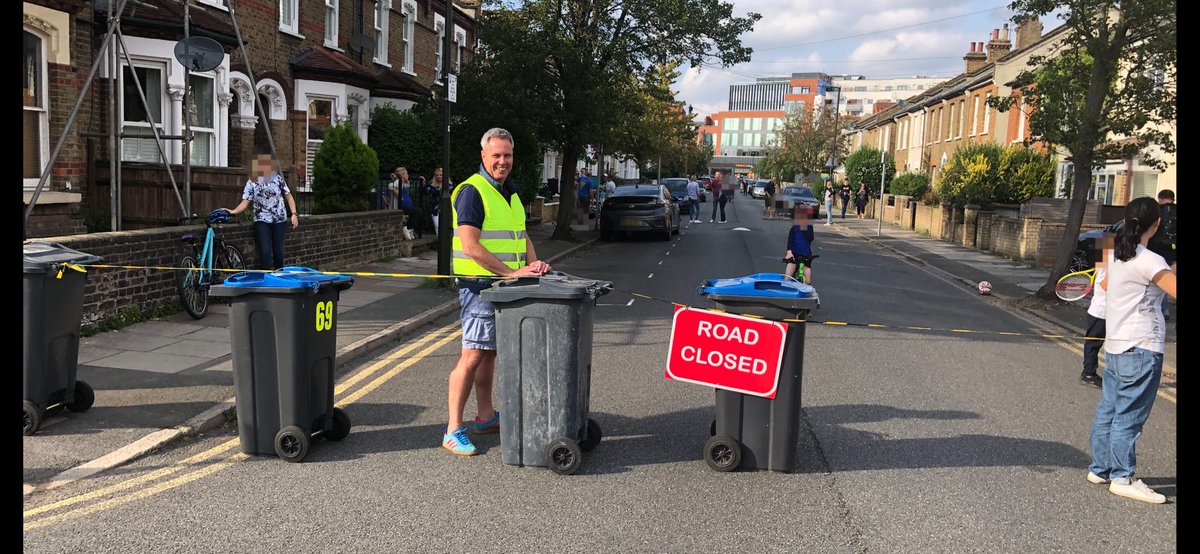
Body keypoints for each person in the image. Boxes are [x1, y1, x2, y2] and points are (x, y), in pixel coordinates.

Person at [444, 127, 551, 456]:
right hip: (480, 285)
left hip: (503, 284)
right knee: (473, 354)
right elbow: (470, 246)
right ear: (483, 157)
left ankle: (486, 416)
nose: (502, 161)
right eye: (496, 156)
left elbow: (521, 235)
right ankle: (452, 430)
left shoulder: (511, 191)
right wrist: (510, 272)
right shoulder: (472, 192)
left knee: (489, 352)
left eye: (507, 155)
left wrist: (534, 265)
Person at [1086, 196, 1176, 504]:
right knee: (1129, 417)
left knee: (1110, 409)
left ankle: (1100, 468)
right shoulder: (1151, 260)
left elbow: (1109, 286)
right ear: (1157, 223)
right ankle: (1122, 477)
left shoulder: (1115, 252)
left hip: (1115, 345)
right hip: (1141, 347)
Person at [222, 154, 299, 270]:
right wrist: (234, 211)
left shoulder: (278, 179)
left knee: (278, 250)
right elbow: (245, 201)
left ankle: (280, 275)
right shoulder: (251, 182)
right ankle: (266, 276)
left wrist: (294, 214)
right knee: (265, 250)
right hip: (261, 219)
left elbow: (289, 197)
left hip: (279, 220)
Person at [1080, 236, 1113, 388]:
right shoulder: (1109, 259)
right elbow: (1105, 284)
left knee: (1101, 344)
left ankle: (1091, 373)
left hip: (1105, 310)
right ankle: (1088, 374)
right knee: (1093, 345)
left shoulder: (1105, 256)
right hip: (1101, 310)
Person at [1147, 189, 1176, 319]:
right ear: (1173, 199)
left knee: (1158, 281)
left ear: (1159, 198)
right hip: (1173, 252)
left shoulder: (1155, 211)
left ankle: (1163, 310)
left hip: (1156, 249)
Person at [784, 206, 816, 284]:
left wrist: (789, 252)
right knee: (806, 267)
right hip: (805, 254)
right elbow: (811, 238)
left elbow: (790, 241)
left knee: (792, 264)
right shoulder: (809, 227)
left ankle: (786, 281)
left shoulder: (795, 228)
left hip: (796, 253)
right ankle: (808, 282)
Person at [393, 167, 424, 239]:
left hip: (408, 205)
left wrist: (422, 181)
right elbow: (391, 186)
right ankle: (408, 228)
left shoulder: (406, 183)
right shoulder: (398, 182)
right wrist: (398, 194)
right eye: (406, 174)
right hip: (402, 206)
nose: (408, 175)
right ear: (402, 175)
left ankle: (409, 228)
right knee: (418, 211)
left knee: (416, 212)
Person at [425, 168, 444, 236]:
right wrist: (424, 182)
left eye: (441, 175)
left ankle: (445, 244)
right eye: (437, 175)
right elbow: (425, 191)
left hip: (446, 208)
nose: (439, 176)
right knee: (437, 226)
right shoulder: (432, 186)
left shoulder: (449, 186)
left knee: (444, 227)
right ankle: (440, 243)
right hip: (435, 208)